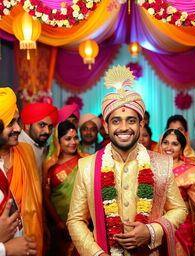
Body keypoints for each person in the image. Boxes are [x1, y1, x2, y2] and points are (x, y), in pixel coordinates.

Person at [67, 66, 188, 256]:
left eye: (131, 121)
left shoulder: (162, 164)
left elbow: (180, 209)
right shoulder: (87, 166)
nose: (124, 127)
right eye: (116, 121)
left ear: (141, 124)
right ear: (106, 126)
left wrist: (151, 231)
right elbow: (75, 220)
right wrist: (96, 254)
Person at [0, 87, 43, 255]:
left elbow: (36, 201)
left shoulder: (26, 152)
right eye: (11, 123)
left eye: (18, 121)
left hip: (27, 242)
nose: (18, 129)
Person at [159, 128, 195, 256]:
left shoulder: (191, 171)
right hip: (156, 227)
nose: (169, 147)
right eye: (166, 142)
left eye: (175, 144)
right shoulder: (152, 167)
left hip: (181, 228)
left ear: (182, 148)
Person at [43, 120, 88, 256]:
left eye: (75, 138)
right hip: (59, 225)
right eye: (68, 138)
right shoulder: (50, 165)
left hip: (85, 223)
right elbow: (46, 197)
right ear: (58, 141)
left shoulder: (86, 160)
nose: (73, 142)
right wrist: (58, 223)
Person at [19, 102, 58, 182]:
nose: (47, 131)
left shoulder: (43, 145)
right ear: (27, 125)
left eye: (50, 127)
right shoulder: (18, 146)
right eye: (42, 125)